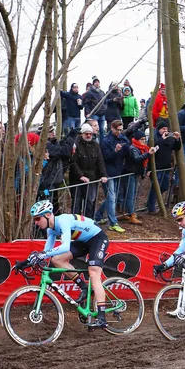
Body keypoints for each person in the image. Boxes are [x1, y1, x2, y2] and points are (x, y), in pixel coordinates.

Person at [29, 200, 110, 329]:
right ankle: (83, 287)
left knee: (93, 272)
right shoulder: (51, 230)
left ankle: (102, 318)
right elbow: (46, 253)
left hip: (97, 238)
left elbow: (65, 246)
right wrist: (28, 261)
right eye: (35, 219)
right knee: (57, 260)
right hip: (83, 242)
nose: (36, 222)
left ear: (48, 215)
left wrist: (42, 255)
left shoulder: (62, 221)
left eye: (38, 218)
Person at [95, 120, 129, 232]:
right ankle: (113, 222)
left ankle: (98, 216)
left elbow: (127, 150)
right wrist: (115, 150)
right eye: (117, 130)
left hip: (118, 171)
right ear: (112, 128)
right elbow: (105, 158)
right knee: (112, 198)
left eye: (121, 130)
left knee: (111, 198)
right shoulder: (106, 141)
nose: (119, 132)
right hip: (108, 173)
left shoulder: (123, 138)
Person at [69, 123, 108, 218]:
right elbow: (73, 163)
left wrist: (103, 175)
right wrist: (81, 175)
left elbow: (100, 161)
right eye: (86, 133)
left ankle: (89, 223)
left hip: (92, 179)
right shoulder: (75, 145)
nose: (89, 135)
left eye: (90, 133)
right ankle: (75, 225)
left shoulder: (96, 145)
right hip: (77, 180)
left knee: (90, 203)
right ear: (81, 134)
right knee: (76, 204)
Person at [147, 119, 181, 214]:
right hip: (156, 167)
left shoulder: (169, 139)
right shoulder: (154, 138)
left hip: (166, 167)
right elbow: (154, 147)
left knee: (164, 186)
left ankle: (152, 201)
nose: (165, 130)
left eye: (166, 128)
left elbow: (177, 147)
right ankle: (151, 207)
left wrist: (177, 139)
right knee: (155, 187)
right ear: (159, 129)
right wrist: (162, 139)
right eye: (163, 128)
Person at [83, 76, 107, 141]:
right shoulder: (89, 93)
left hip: (102, 114)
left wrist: (105, 109)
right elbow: (87, 103)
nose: (97, 83)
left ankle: (102, 146)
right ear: (93, 83)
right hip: (94, 114)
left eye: (98, 82)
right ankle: (93, 143)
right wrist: (88, 113)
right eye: (95, 82)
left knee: (102, 130)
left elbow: (105, 102)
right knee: (93, 130)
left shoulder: (102, 92)